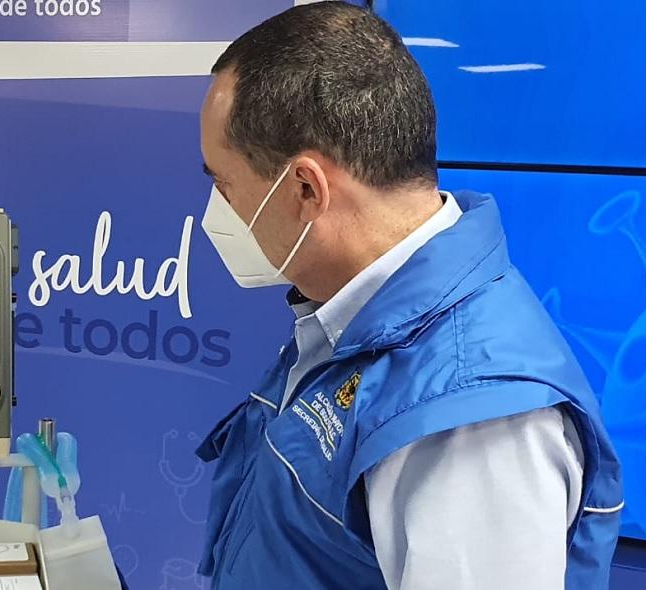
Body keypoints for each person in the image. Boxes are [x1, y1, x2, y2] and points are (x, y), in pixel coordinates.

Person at [194, 3, 622, 589]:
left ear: (304, 188)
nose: (220, 212)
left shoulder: (470, 415)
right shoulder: (357, 323)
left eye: (225, 184)